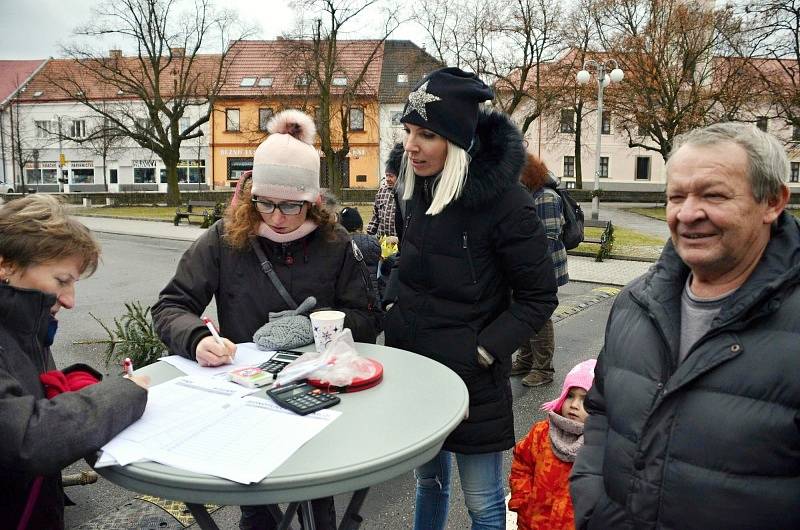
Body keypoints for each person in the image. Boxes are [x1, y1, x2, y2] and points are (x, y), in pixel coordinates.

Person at [152, 109, 379, 530]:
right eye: (266, 202)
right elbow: (170, 306)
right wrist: (198, 338)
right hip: (246, 401)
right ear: (251, 192)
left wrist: (313, 329)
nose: (276, 217)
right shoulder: (224, 239)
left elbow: (368, 316)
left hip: (316, 396)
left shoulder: (336, 243)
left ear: (312, 200)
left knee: (315, 500)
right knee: (256, 506)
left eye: (291, 205)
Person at [570, 122, 800, 529]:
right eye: (676, 196)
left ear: (773, 202)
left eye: (713, 195)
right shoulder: (633, 303)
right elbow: (602, 415)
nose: (688, 213)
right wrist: (593, 507)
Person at [383, 67, 559, 530]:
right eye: (408, 131)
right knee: (429, 483)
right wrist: (391, 307)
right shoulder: (417, 188)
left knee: (483, 503)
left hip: (471, 380)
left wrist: (483, 350)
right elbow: (411, 264)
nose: (412, 145)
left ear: (456, 141)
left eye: (427, 134)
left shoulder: (508, 204)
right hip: (418, 370)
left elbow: (538, 296)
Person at [0, 194, 148, 530]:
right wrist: (123, 393)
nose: (69, 300)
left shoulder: (26, 320)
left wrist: (72, 388)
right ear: (6, 265)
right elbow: (28, 439)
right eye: (61, 281)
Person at [508, 359, 596, 530]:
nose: (574, 405)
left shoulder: (601, 446)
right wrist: (523, 501)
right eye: (570, 395)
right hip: (532, 523)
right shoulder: (542, 432)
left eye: (585, 400)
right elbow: (522, 464)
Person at [512, 154, 569, 387]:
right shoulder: (531, 195)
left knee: (541, 317)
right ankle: (526, 360)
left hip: (545, 268)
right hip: (530, 267)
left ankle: (543, 368)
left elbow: (547, 238)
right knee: (526, 313)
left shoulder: (545, 197)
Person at [339, 206, 382, 298]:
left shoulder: (339, 245)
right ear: (360, 225)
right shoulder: (373, 243)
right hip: (373, 299)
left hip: (348, 300)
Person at [366, 144, 403, 238]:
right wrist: (369, 236)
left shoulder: (404, 193)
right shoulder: (382, 191)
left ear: (399, 176)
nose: (387, 179)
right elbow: (375, 216)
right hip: (382, 240)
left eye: (391, 176)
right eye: (386, 175)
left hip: (398, 241)